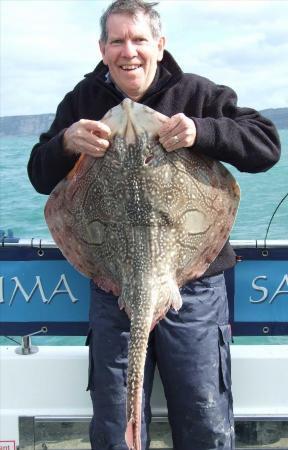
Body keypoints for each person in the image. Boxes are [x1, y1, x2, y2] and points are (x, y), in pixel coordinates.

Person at [27, 1, 281, 449]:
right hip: (116, 284)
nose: (130, 51)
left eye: (140, 39)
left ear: (159, 46)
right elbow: (38, 175)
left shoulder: (197, 94)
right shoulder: (82, 101)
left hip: (193, 284)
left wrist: (202, 132)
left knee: (204, 416)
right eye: (118, 40)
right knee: (116, 426)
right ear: (103, 49)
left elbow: (266, 145)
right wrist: (66, 142)